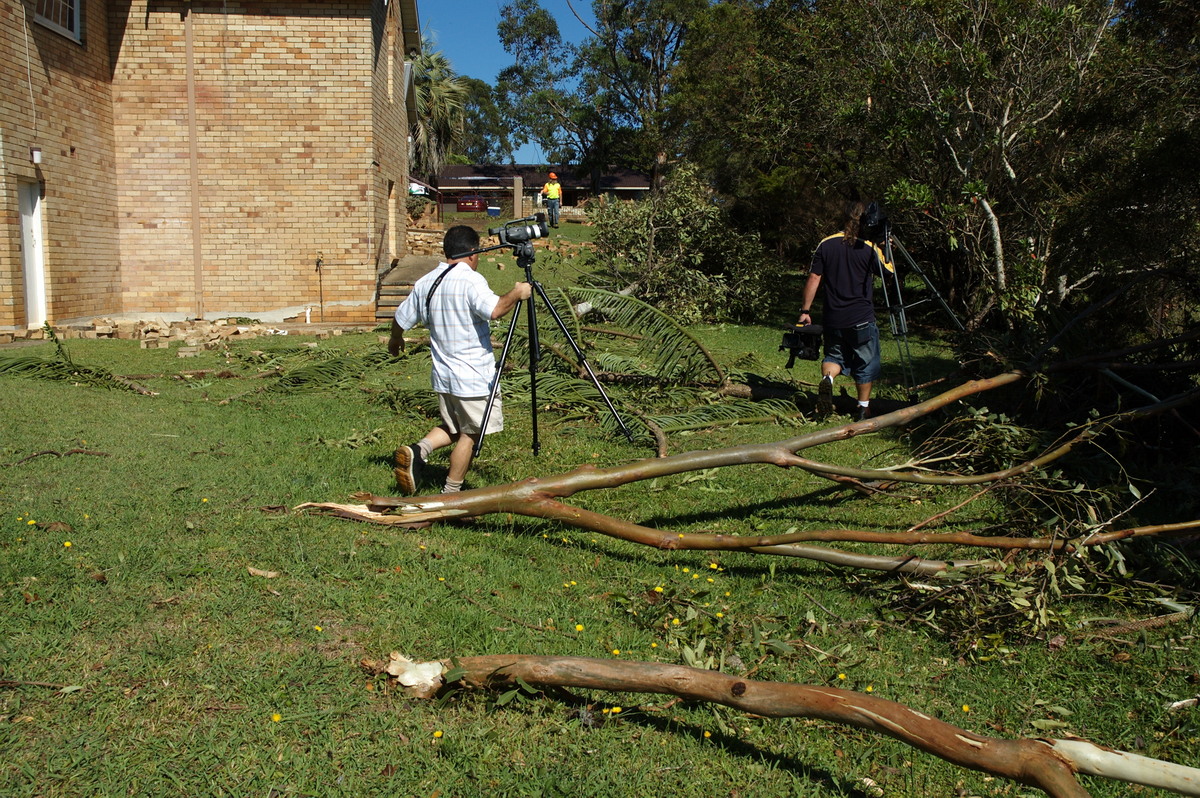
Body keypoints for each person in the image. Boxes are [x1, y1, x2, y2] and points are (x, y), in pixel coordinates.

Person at [388, 225, 532, 494]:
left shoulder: (427, 281)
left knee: (453, 426)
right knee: (470, 434)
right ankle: (451, 493)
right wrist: (517, 293)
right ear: (473, 252)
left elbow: (401, 317)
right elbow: (495, 309)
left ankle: (418, 450)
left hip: (444, 377)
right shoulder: (470, 280)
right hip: (473, 376)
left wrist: (395, 340)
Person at [797, 201, 892, 421]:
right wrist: (885, 244)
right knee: (865, 361)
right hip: (861, 317)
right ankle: (863, 407)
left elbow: (814, 277)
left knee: (834, 356)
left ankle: (828, 380)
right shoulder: (868, 247)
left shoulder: (826, 244)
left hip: (833, 317)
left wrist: (805, 310)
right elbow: (889, 272)